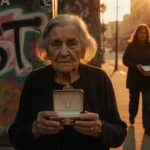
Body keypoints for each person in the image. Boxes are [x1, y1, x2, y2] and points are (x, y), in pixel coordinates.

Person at [8, 14, 127, 150]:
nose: (64, 52)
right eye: (56, 44)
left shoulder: (99, 79)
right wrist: (35, 128)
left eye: (71, 43)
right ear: (47, 51)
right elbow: (15, 137)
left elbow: (120, 133)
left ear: (83, 50)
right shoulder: (35, 80)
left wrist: (100, 128)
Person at [123, 23, 150, 135]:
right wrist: (136, 66)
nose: (142, 35)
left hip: (147, 79)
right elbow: (125, 60)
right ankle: (132, 115)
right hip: (134, 78)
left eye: (144, 33)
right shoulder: (131, 46)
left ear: (147, 34)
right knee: (134, 101)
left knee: (147, 103)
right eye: (141, 33)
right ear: (137, 34)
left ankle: (147, 127)